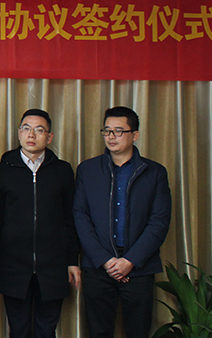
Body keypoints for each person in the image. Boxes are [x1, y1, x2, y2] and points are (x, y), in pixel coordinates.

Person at [74, 106, 171, 338]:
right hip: (98, 267)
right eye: (107, 131)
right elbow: (80, 215)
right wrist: (106, 261)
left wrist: (130, 261)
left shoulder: (154, 172)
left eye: (119, 131)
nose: (111, 136)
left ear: (134, 135)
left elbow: (159, 221)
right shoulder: (87, 170)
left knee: (138, 331)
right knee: (98, 332)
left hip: (139, 267)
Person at [0, 109, 80, 338]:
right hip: (13, 266)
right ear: (19, 133)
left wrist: (72, 260)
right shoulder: (2, 170)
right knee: (18, 330)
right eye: (26, 128)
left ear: (49, 137)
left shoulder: (62, 171)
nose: (31, 135)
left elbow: (70, 218)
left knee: (46, 330)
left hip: (53, 267)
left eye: (39, 130)